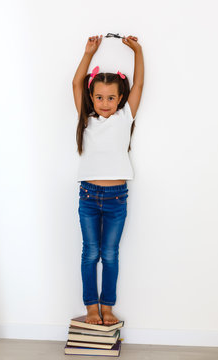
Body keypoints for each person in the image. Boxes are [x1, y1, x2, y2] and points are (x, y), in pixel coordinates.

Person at [72, 34, 144, 325]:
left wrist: (137, 51)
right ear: (92, 98)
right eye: (99, 97)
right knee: (90, 253)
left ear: (120, 99)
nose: (104, 102)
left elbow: (138, 84)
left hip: (117, 198)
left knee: (110, 254)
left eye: (111, 97)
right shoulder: (86, 119)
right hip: (89, 197)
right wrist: (89, 53)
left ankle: (108, 307)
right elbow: (76, 83)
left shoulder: (125, 117)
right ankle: (91, 308)